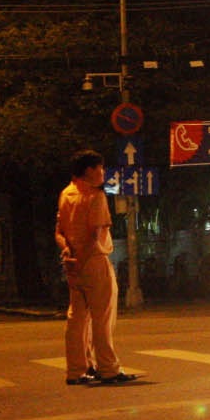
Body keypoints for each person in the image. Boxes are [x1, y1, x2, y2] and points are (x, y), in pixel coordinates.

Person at [54, 149, 134, 386]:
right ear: (89, 170)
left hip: (72, 263)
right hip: (93, 261)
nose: (103, 173)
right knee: (102, 318)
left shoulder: (65, 194)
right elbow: (94, 235)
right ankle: (108, 369)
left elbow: (59, 232)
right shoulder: (95, 196)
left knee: (77, 318)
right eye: (100, 168)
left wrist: (68, 253)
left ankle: (76, 370)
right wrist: (81, 260)